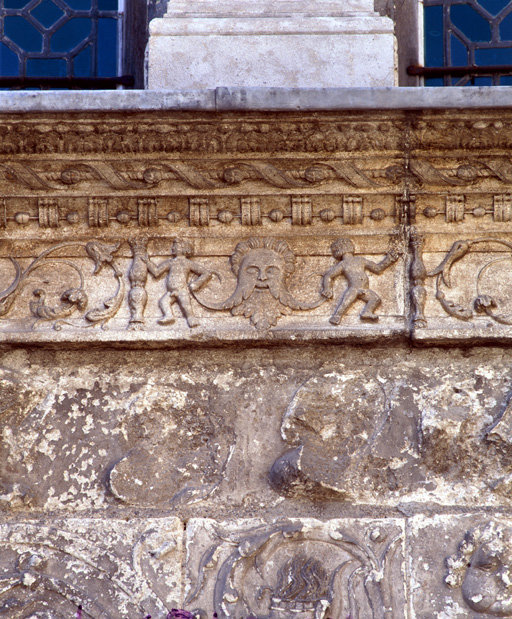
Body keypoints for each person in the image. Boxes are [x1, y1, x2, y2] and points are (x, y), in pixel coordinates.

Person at [321, 237, 399, 325]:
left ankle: (366, 312)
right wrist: (327, 288)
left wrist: (389, 260)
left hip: (364, 289)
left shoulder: (359, 260)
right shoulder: (344, 264)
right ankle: (336, 316)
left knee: (376, 299)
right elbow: (329, 276)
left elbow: (377, 268)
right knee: (345, 303)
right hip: (354, 289)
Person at [144, 238, 213, 328]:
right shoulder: (170, 262)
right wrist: (147, 262)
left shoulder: (187, 263)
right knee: (163, 302)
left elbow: (206, 273)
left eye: (175, 246)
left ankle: (191, 319)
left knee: (186, 306)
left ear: (184, 249)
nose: (172, 248)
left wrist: (196, 284)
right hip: (170, 292)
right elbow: (156, 272)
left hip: (182, 290)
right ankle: (169, 316)